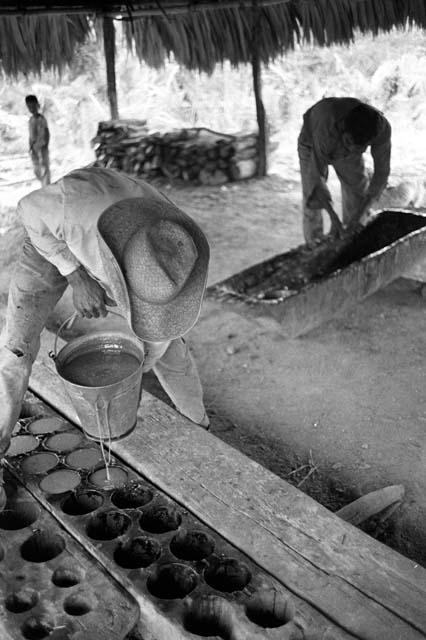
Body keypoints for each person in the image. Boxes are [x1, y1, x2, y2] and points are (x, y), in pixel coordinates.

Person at [0, 166, 211, 502]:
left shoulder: (170, 241)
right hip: (52, 243)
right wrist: (75, 276)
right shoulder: (75, 210)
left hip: (126, 264)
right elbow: (28, 208)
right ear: (119, 271)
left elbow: (159, 337)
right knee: (17, 348)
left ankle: (200, 425)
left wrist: (133, 372)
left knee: (171, 349)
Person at [298, 97, 392, 247]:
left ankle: (352, 240)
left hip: (344, 141)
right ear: (343, 128)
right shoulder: (326, 128)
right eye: (349, 144)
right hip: (311, 142)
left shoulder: (382, 130)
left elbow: (381, 175)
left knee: (357, 194)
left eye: (359, 149)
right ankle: (314, 245)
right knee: (312, 198)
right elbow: (316, 178)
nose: (350, 150)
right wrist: (334, 218)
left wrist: (357, 217)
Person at [25, 94, 51, 186]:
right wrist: (30, 146)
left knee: (45, 168)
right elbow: (31, 135)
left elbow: (47, 132)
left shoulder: (41, 119)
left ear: (37, 105)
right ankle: (43, 186)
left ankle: (46, 187)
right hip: (34, 149)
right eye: (29, 107)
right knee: (37, 170)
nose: (31, 108)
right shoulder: (31, 120)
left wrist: (46, 145)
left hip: (42, 147)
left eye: (33, 106)